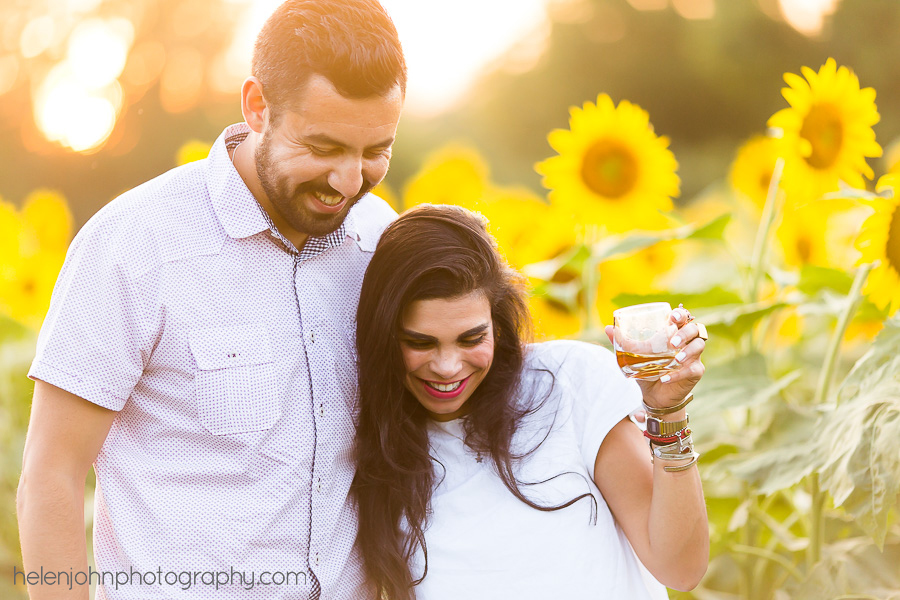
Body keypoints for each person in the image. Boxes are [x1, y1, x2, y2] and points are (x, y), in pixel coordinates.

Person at [16, 1, 405, 599]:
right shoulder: (133, 245)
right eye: (323, 147)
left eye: (375, 150)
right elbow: (52, 474)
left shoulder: (379, 239)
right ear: (257, 107)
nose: (349, 181)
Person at [353, 204, 710, 600]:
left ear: (499, 323)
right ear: (383, 335)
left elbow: (681, 567)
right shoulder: (369, 445)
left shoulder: (569, 382)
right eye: (419, 342)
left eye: (472, 339)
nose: (447, 367)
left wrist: (668, 412)